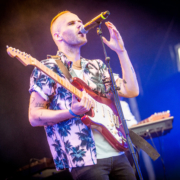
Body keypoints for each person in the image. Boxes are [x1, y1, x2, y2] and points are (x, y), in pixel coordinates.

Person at [28, 11, 139, 180]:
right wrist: (72, 112)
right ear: (58, 36)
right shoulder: (47, 68)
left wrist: (121, 51)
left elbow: (131, 90)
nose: (80, 24)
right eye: (71, 23)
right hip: (85, 161)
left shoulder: (97, 67)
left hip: (118, 151)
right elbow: (34, 116)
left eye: (80, 21)